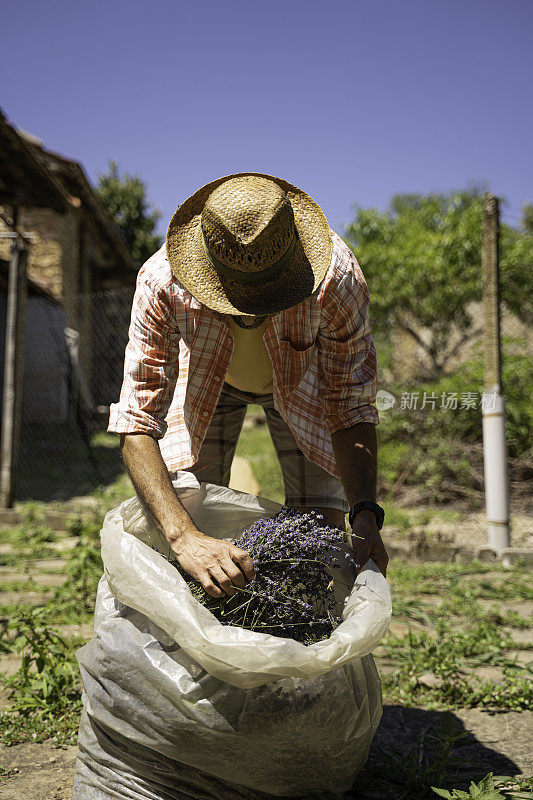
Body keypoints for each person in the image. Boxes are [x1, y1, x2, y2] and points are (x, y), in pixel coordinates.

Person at [108, 172, 389, 602]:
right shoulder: (162, 283)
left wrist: (366, 514)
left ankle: (307, 652)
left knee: (321, 542)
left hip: (301, 383)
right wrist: (184, 537)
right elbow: (137, 419)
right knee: (189, 513)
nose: (250, 314)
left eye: (265, 297)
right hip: (208, 380)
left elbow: (349, 402)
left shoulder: (336, 279)